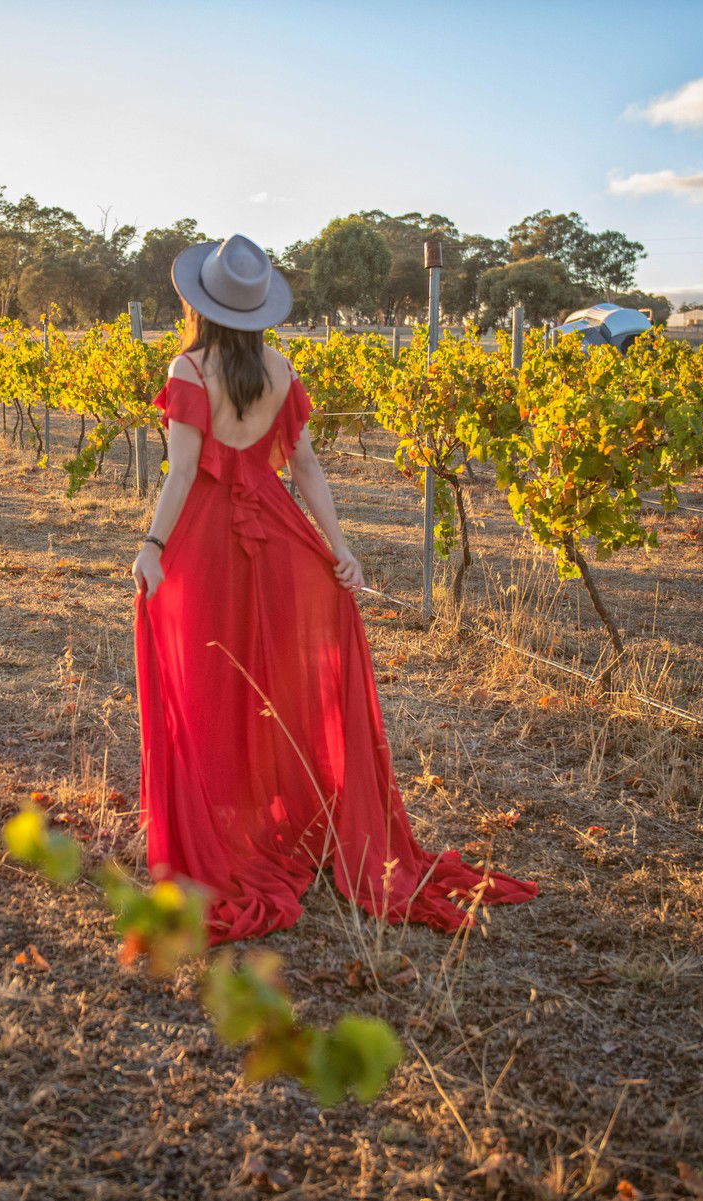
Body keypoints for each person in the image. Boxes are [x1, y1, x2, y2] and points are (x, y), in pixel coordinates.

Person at [131, 233, 537, 946]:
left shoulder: (188, 369)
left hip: (204, 545)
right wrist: (337, 549)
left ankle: (224, 829)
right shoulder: (280, 369)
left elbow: (184, 473)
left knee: (210, 682)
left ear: (200, 304)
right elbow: (307, 468)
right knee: (274, 684)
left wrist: (153, 545)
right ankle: (266, 817)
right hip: (281, 542)